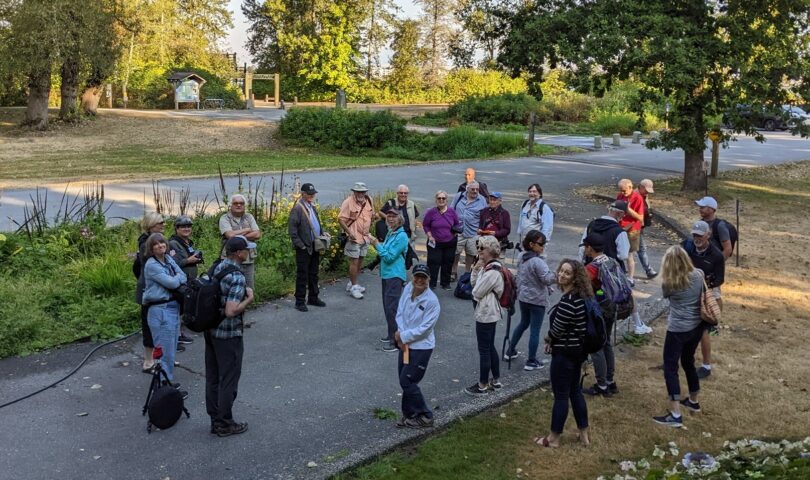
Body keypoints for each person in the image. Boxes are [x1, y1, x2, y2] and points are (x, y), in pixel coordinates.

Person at [535, 259, 591, 447]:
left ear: (576, 278)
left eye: (567, 273)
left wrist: (549, 340)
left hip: (564, 354)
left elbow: (558, 329)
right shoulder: (581, 298)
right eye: (561, 271)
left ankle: (553, 438)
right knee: (575, 391)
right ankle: (584, 435)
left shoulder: (569, 302)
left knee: (561, 395)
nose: (562, 275)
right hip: (577, 353)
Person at [206, 235, 255, 437]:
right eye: (246, 249)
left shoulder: (217, 266)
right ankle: (225, 423)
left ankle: (214, 420)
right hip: (228, 333)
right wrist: (249, 299)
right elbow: (231, 310)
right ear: (238, 253)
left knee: (213, 377)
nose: (249, 252)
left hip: (211, 330)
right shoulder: (236, 277)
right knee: (229, 379)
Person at [653, 245, 705, 428]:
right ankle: (693, 400)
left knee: (670, 368)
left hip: (677, 329)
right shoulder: (699, 275)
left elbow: (667, 295)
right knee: (688, 362)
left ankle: (675, 413)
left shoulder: (669, 284)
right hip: (696, 326)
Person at [581, 200, 650, 335]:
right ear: (619, 214)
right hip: (611, 270)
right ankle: (638, 324)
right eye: (623, 215)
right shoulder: (619, 231)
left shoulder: (591, 225)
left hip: (591, 269)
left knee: (589, 296)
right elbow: (623, 255)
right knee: (627, 294)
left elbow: (582, 248)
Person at [393, 264, 441, 429]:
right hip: (405, 344)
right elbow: (400, 311)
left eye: (423, 278)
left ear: (429, 280)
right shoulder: (408, 288)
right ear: (412, 277)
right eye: (417, 276)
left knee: (408, 380)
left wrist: (403, 336)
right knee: (403, 379)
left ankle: (426, 415)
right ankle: (409, 415)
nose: (419, 280)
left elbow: (425, 329)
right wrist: (400, 332)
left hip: (421, 347)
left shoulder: (432, 302)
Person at [142, 233, 187, 396]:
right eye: (156, 244)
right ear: (151, 248)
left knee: (171, 349)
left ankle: (167, 385)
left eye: (162, 242)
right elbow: (173, 282)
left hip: (173, 307)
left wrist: (178, 278)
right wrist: (177, 278)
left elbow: (183, 276)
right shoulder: (151, 265)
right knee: (164, 351)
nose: (161, 246)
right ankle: (163, 387)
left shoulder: (168, 259)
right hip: (159, 309)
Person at [503, 230, 556, 371]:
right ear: (532, 244)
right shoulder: (538, 262)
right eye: (540, 244)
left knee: (523, 323)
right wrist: (559, 274)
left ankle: (510, 350)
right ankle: (531, 360)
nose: (543, 247)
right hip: (537, 300)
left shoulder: (522, 257)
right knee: (535, 330)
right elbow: (546, 279)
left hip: (524, 297)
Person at [683, 220, 725, 379]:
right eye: (694, 234)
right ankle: (675, 359)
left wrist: (707, 283)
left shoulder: (716, 255)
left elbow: (720, 279)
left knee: (702, 331)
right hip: (687, 290)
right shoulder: (687, 246)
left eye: (700, 235)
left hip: (705, 294)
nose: (696, 238)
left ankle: (706, 366)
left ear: (708, 235)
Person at [465, 235, 505, 396]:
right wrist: (476, 268)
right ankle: (495, 380)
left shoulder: (493, 271)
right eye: (478, 248)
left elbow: (476, 291)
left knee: (484, 349)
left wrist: (477, 289)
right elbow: (473, 283)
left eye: (482, 248)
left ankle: (482, 384)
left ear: (491, 250)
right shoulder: (486, 267)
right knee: (489, 346)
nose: (479, 251)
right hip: (486, 311)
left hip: (487, 313)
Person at [581, 234, 619, 397]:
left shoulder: (591, 268)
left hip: (598, 310)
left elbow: (583, 290)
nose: (584, 249)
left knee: (596, 346)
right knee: (606, 343)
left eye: (585, 246)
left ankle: (601, 385)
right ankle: (610, 381)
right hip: (611, 307)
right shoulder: (611, 261)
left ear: (590, 247)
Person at [369, 206, 409, 352]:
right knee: (387, 307)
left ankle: (396, 342)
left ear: (400, 219)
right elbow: (385, 251)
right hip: (386, 275)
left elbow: (390, 257)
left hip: (395, 275)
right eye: (389, 216)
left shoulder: (402, 236)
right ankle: (391, 334)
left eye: (394, 216)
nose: (390, 218)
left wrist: (376, 244)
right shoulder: (391, 232)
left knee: (392, 308)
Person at [287, 183, 328, 312]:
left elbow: (316, 223)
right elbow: (292, 231)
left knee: (314, 274)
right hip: (304, 248)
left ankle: (313, 298)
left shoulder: (312, 206)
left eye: (313, 194)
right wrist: (301, 246)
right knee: (302, 275)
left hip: (314, 246)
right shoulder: (297, 208)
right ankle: (299, 301)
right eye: (309, 194)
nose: (311, 196)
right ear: (303, 194)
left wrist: (322, 233)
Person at [136, 212, 165, 373]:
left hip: (158, 290)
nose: (163, 225)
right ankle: (148, 361)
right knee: (149, 325)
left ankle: (161, 357)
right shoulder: (145, 243)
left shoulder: (156, 240)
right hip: (149, 290)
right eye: (160, 223)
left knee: (161, 324)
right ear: (151, 226)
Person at [169, 215, 200, 347]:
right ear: (176, 228)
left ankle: (181, 334)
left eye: (188, 226)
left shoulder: (187, 242)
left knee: (185, 308)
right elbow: (172, 264)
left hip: (189, 281)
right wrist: (189, 260)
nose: (186, 229)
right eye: (183, 226)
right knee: (178, 309)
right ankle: (176, 337)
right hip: (181, 282)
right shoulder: (173, 243)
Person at [339, 182, 374, 299]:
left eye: (363, 191)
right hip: (353, 237)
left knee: (361, 259)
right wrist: (349, 233)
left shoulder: (369, 200)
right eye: (358, 191)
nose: (361, 194)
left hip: (365, 237)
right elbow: (340, 219)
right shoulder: (348, 202)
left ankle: (352, 282)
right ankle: (354, 287)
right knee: (354, 261)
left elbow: (371, 216)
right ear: (354, 192)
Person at [219, 194, 262, 290]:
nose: (238, 205)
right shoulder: (224, 218)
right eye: (235, 203)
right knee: (230, 288)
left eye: (241, 203)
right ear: (231, 205)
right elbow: (229, 235)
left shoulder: (249, 217)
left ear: (244, 205)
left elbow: (258, 234)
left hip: (247, 259)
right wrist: (247, 229)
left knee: (248, 288)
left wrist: (236, 236)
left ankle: (247, 305)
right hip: (230, 259)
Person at [422, 190, 461, 289]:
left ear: (446, 200)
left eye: (443, 198)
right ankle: (431, 283)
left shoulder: (451, 211)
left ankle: (445, 283)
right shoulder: (431, 212)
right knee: (433, 263)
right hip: (435, 242)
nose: (441, 200)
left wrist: (456, 232)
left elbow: (457, 223)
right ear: (436, 200)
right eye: (439, 198)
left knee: (447, 263)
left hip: (450, 242)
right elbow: (426, 225)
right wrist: (430, 236)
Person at [452, 181, 488, 278]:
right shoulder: (459, 196)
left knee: (471, 254)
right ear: (467, 189)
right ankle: (454, 271)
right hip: (458, 231)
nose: (475, 191)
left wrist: (481, 230)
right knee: (456, 252)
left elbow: (485, 216)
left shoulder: (482, 200)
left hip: (473, 232)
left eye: (477, 189)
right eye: (473, 189)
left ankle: (467, 273)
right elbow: (451, 210)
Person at [382, 184, 420, 269]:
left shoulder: (411, 204)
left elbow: (415, 216)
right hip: (395, 235)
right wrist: (389, 219)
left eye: (405, 193)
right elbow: (381, 212)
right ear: (397, 193)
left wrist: (414, 228)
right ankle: (397, 277)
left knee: (408, 259)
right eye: (401, 193)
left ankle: (403, 277)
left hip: (409, 236)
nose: (403, 195)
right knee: (395, 257)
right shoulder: (391, 203)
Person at [616, 179, 645, 286]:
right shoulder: (620, 195)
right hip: (620, 227)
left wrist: (628, 210)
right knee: (617, 252)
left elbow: (640, 218)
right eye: (620, 191)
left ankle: (631, 278)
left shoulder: (638, 198)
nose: (622, 193)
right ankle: (619, 274)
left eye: (624, 191)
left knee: (629, 254)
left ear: (630, 187)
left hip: (632, 230)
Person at [636, 179, 658, 279]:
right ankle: (648, 270)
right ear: (641, 187)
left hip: (639, 227)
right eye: (646, 190)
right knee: (641, 249)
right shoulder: (636, 196)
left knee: (631, 249)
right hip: (635, 227)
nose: (647, 193)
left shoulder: (644, 195)